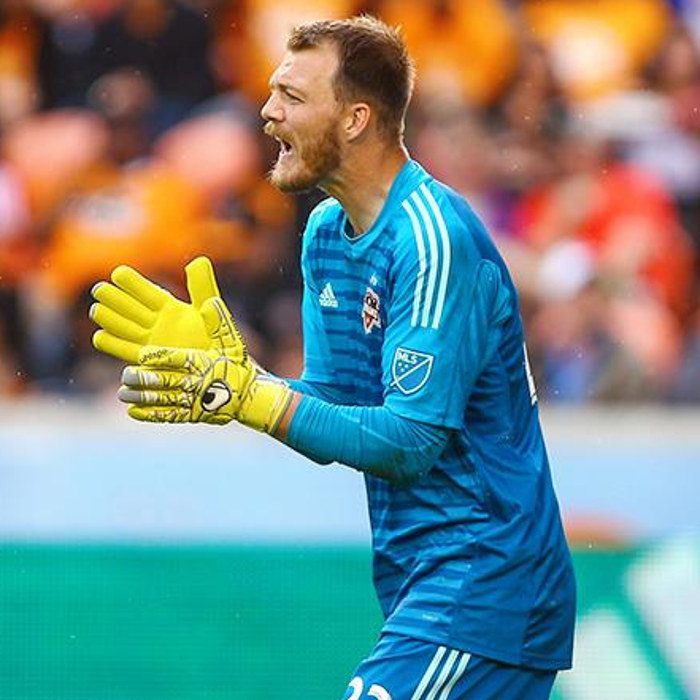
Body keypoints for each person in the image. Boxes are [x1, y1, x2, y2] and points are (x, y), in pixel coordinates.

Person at [90, 15, 575, 700]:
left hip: (485, 582)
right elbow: (340, 409)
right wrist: (241, 383)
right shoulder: (325, 232)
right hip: (425, 585)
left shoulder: (432, 239)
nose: (267, 111)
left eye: (291, 95)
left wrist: (249, 397)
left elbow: (409, 441)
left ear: (354, 118)